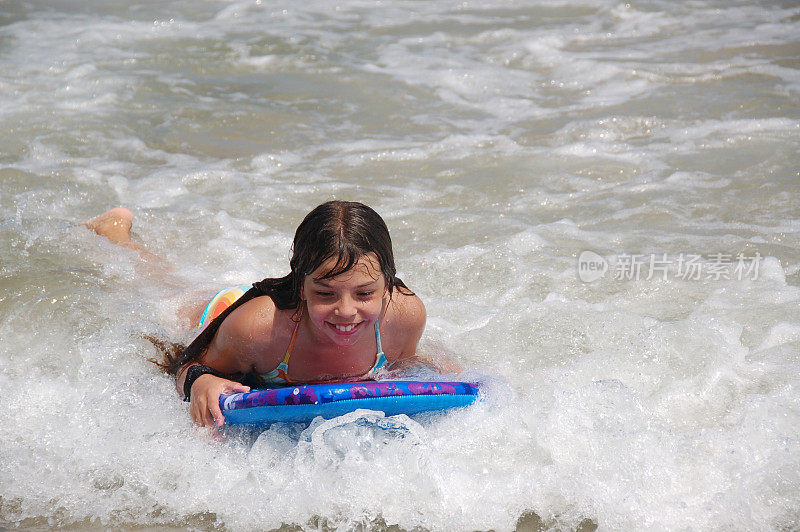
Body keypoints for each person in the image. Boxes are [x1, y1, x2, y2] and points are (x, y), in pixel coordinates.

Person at [86, 201, 458, 428]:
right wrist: (200, 382)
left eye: (364, 294)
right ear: (301, 285)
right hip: (222, 311)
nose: (346, 311)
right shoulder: (258, 330)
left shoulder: (403, 315)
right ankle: (115, 235)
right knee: (159, 285)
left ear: (387, 285)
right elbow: (185, 365)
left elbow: (401, 369)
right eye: (325, 293)